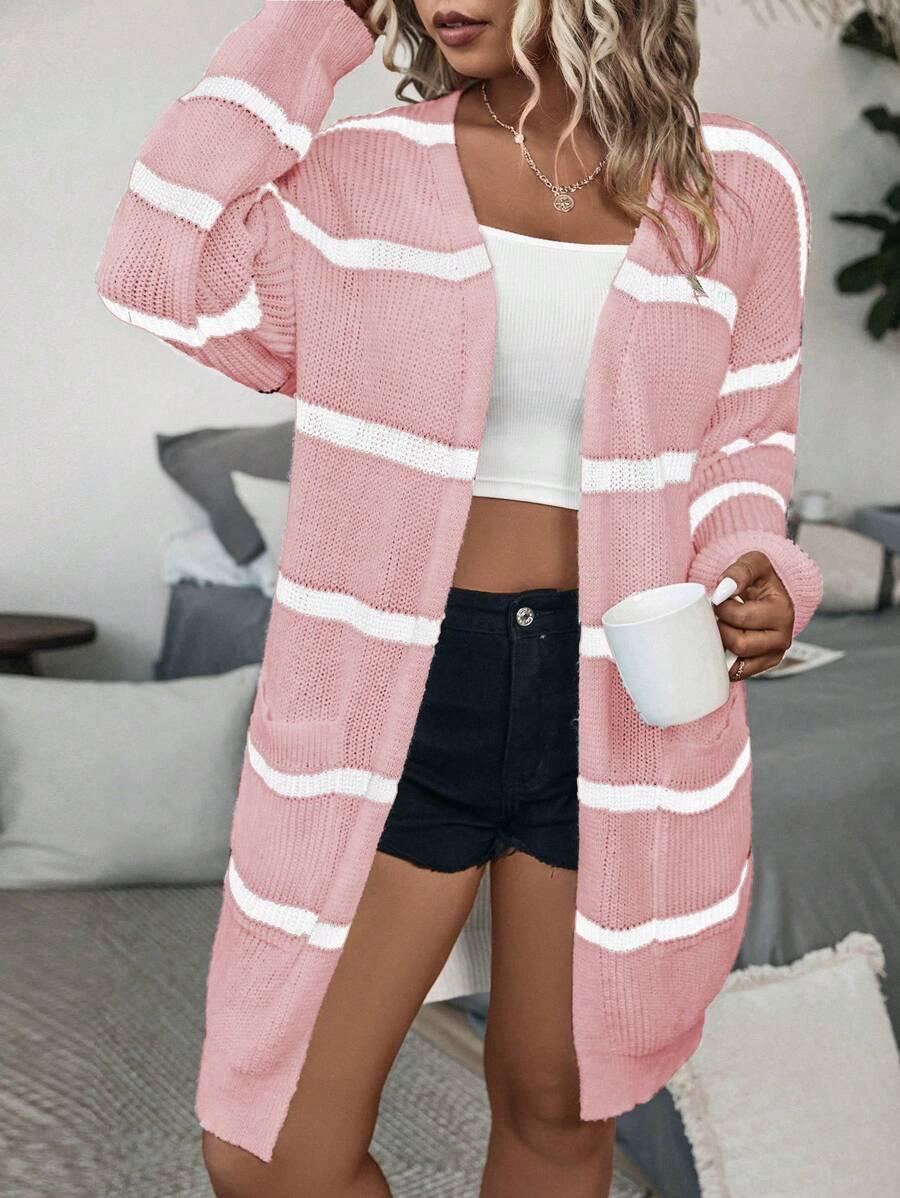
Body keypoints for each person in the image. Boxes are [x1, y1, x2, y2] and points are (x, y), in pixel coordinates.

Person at [95, 1, 823, 1195]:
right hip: (399, 692)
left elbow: (745, 443)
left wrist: (761, 570)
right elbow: (158, 261)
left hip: (622, 700)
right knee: (269, 1153)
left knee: (557, 1110)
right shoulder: (360, 175)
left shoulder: (737, 185)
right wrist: (317, 20)